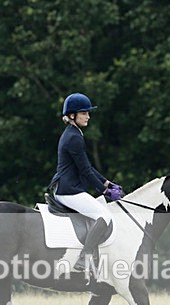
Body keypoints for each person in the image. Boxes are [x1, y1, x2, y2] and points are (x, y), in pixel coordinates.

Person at [49, 92, 123, 272]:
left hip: (70, 187)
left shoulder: (74, 133)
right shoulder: (74, 137)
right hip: (69, 191)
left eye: (88, 113)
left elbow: (87, 166)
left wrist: (106, 183)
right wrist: (104, 191)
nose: (88, 116)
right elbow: (85, 171)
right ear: (72, 115)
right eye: (84, 113)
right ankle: (84, 258)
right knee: (104, 216)